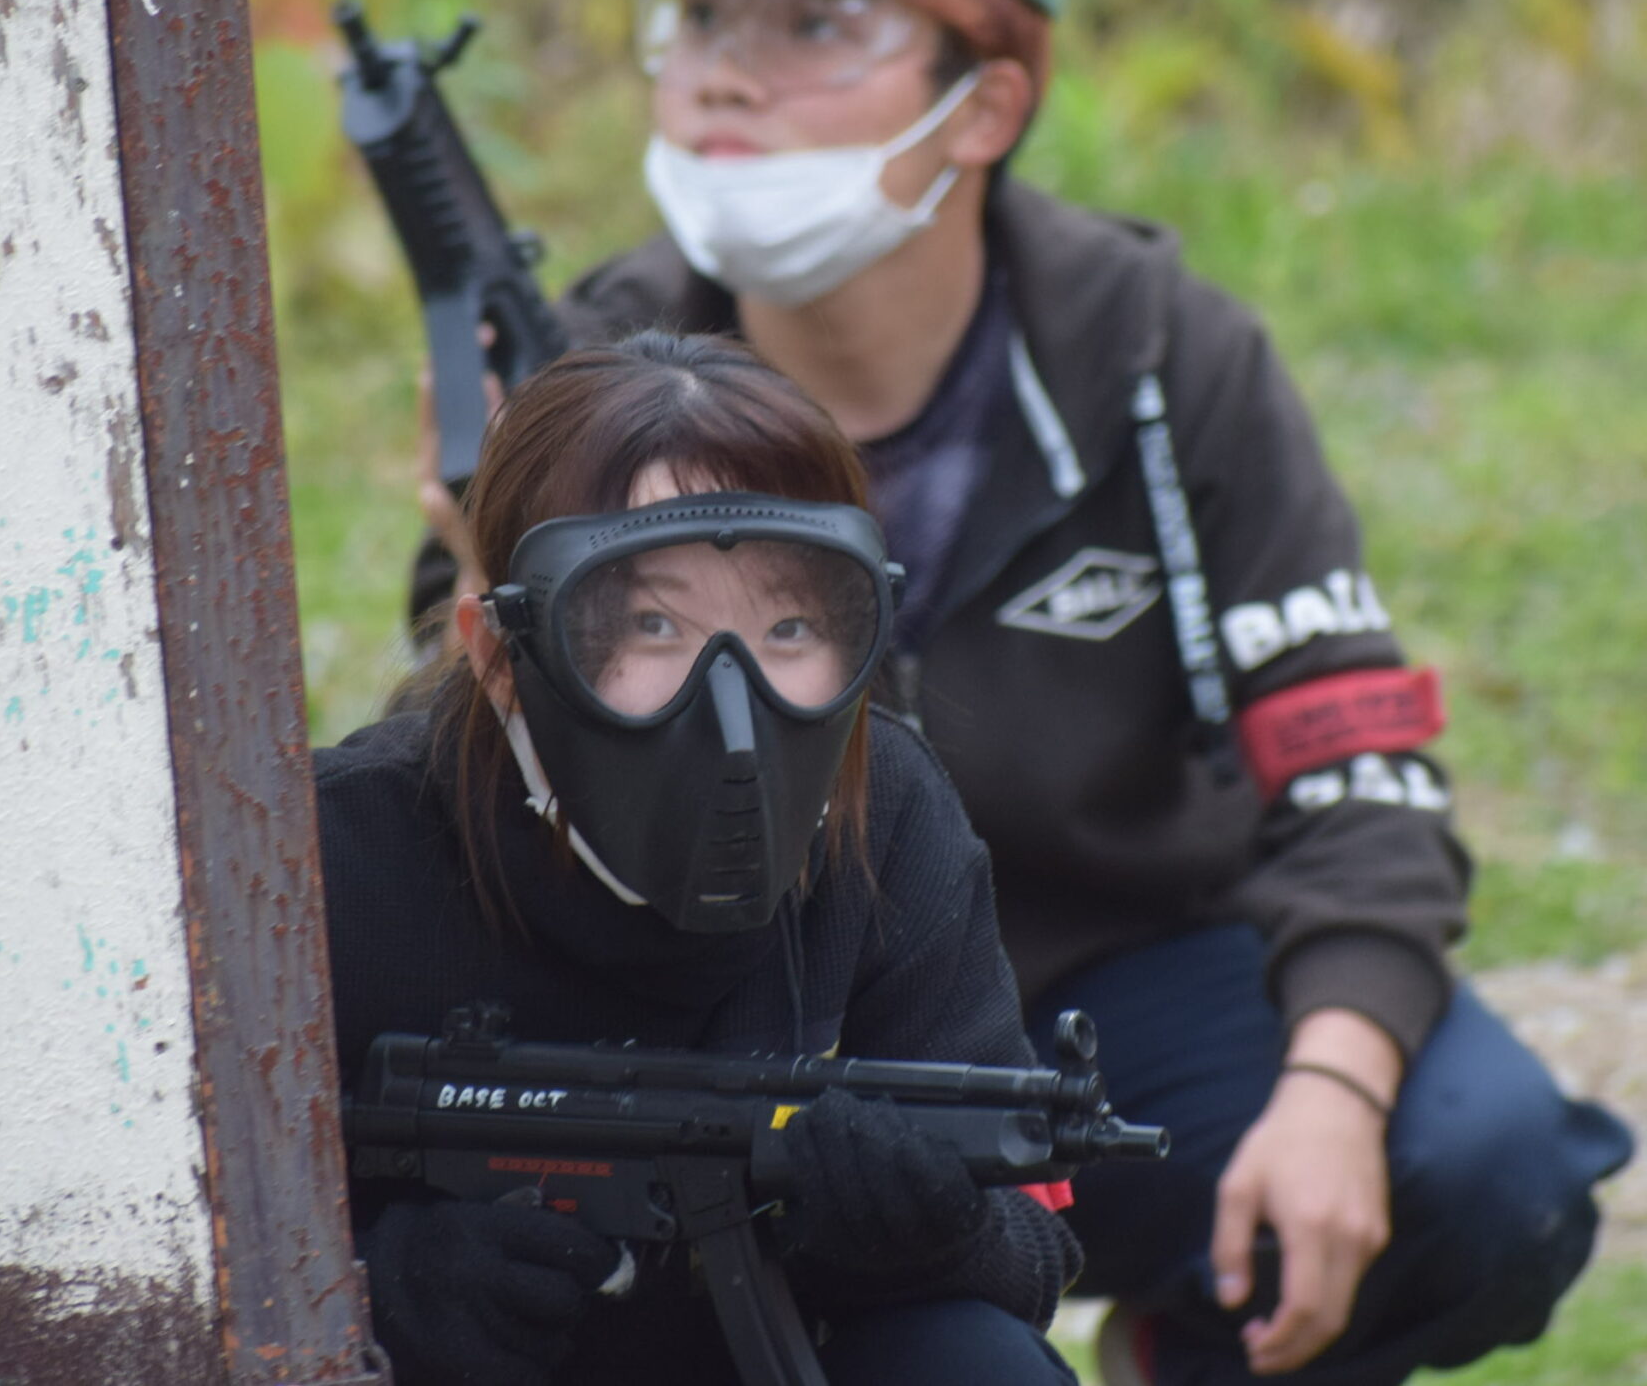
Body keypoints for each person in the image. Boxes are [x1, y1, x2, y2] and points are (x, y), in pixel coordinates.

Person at [410, 0, 1633, 1385]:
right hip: (738, 1021)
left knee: (1482, 1160)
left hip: (1118, 1009)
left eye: (811, 24)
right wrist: (495, 567)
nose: (721, 69)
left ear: (986, 101)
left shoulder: (1163, 353)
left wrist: (1334, 1091)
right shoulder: (584, 383)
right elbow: (452, 803)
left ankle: (1188, 1349)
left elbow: (1357, 771)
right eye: (699, 15)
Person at [324, 332, 1087, 1386]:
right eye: (651, 622)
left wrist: (932, 1233)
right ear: (499, 655)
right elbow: (164, 1260)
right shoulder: (333, 866)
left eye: (791, 623)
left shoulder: (888, 817)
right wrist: (371, 1293)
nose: (733, 701)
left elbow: (1034, 1249)